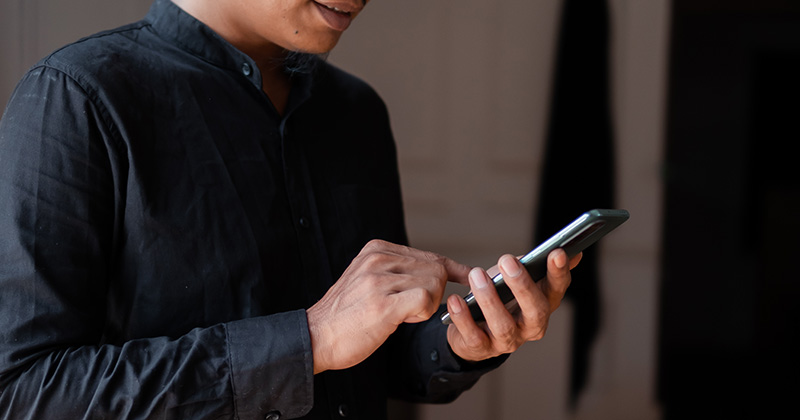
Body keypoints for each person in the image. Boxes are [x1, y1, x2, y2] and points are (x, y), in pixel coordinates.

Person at [0, 0, 579, 418]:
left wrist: (459, 342)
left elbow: (380, 362)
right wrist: (311, 339)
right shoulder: (76, 99)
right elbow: (23, 392)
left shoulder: (356, 113)